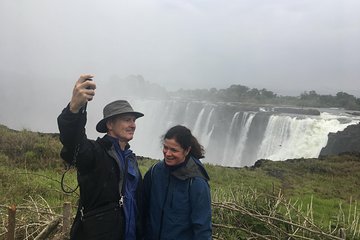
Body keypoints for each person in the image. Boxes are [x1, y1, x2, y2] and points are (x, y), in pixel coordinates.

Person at [57, 74, 144, 240]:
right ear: (109, 124)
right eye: (127, 120)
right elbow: (73, 142)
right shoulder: (96, 153)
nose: (133, 125)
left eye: (134, 120)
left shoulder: (131, 159)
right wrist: (74, 110)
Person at [143, 125, 212, 240]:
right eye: (165, 147)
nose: (168, 153)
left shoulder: (196, 182)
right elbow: (142, 208)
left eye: (174, 150)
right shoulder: (155, 172)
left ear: (187, 150)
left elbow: (202, 228)